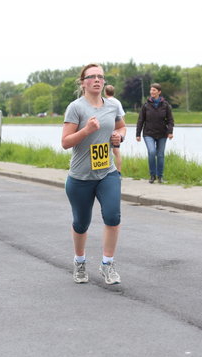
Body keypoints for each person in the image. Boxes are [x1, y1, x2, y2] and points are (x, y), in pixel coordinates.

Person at [61, 63, 126, 285]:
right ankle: (80, 261)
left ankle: (107, 264)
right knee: (81, 222)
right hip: (80, 177)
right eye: (92, 77)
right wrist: (86, 130)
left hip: (107, 172)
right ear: (83, 82)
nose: (97, 80)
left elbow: (122, 127)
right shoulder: (75, 108)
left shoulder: (112, 106)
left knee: (112, 216)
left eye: (101, 76)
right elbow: (65, 142)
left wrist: (119, 136)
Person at [136, 83, 174, 183]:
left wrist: (170, 132)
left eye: (154, 90)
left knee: (160, 155)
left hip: (162, 134)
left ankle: (160, 176)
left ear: (159, 92)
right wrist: (138, 134)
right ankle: (152, 175)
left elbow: (170, 120)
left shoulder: (165, 105)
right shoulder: (146, 105)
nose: (152, 92)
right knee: (152, 152)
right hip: (148, 133)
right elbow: (141, 120)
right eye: (151, 90)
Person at [104, 84, 125, 172]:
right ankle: (118, 171)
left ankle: (113, 171)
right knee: (116, 152)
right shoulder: (117, 102)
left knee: (109, 151)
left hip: (109, 129)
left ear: (105, 92)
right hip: (117, 130)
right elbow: (122, 116)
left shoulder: (105, 102)